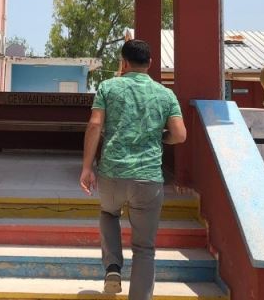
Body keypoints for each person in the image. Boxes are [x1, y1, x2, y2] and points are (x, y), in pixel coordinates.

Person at [79, 39, 187, 299]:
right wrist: (161, 138)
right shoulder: (165, 94)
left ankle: (113, 268)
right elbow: (180, 135)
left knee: (108, 213)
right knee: (144, 248)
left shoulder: (108, 87)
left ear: (124, 63)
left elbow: (95, 125)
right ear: (150, 63)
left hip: (112, 173)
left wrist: (87, 167)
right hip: (148, 178)